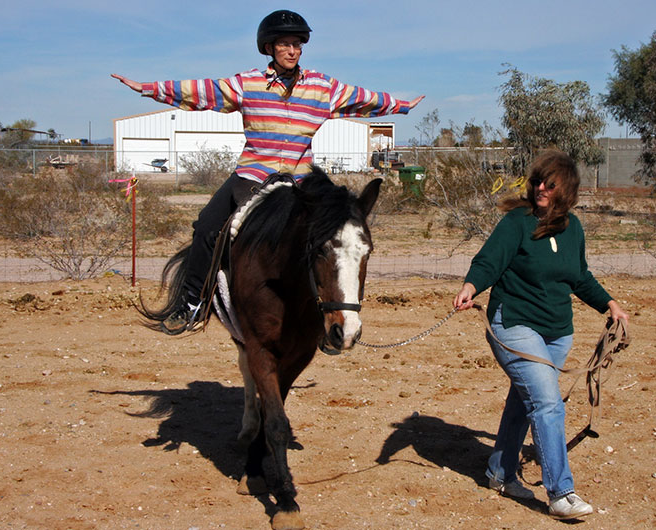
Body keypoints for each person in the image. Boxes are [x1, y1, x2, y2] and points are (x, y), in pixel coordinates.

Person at [112, 9, 424, 334]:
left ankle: (329, 314)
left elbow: (365, 99)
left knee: (336, 238)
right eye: (285, 44)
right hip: (253, 176)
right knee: (207, 226)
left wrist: (401, 106)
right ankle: (192, 303)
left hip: (302, 183)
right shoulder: (247, 84)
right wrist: (148, 89)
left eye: (297, 45)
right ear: (269, 48)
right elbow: (202, 91)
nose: (292, 51)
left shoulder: (322, 88)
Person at [453, 150, 628, 520]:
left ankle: (499, 473)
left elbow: (579, 277)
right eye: (537, 181)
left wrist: (609, 304)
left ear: (566, 190)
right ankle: (561, 492)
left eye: (550, 183)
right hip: (513, 323)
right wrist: (471, 286)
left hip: (557, 332)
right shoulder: (517, 222)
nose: (541, 188)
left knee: (525, 399)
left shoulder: (573, 228)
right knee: (547, 404)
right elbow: (489, 261)